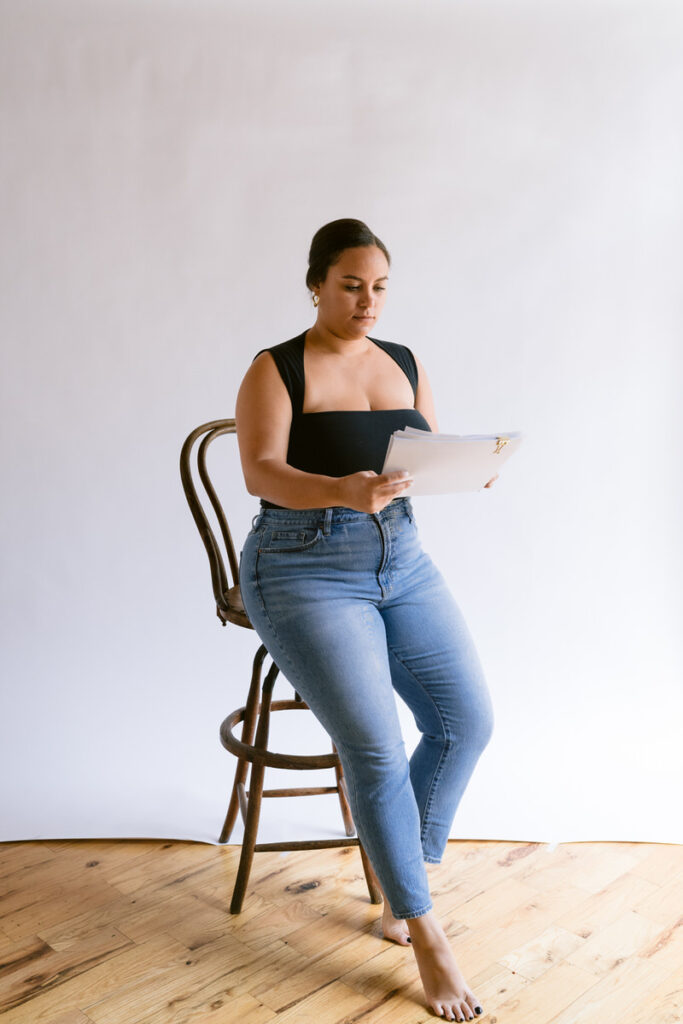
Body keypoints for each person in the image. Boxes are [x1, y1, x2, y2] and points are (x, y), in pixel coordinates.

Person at [235, 218, 495, 1023]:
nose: (367, 301)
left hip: (400, 558)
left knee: (464, 722)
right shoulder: (276, 368)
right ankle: (422, 930)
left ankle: (398, 879)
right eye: (351, 285)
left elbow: (419, 452)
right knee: (376, 746)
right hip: (300, 565)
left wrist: (465, 468)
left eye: (379, 286)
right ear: (315, 283)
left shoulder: (405, 363)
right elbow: (260, 472)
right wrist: (340, 492)